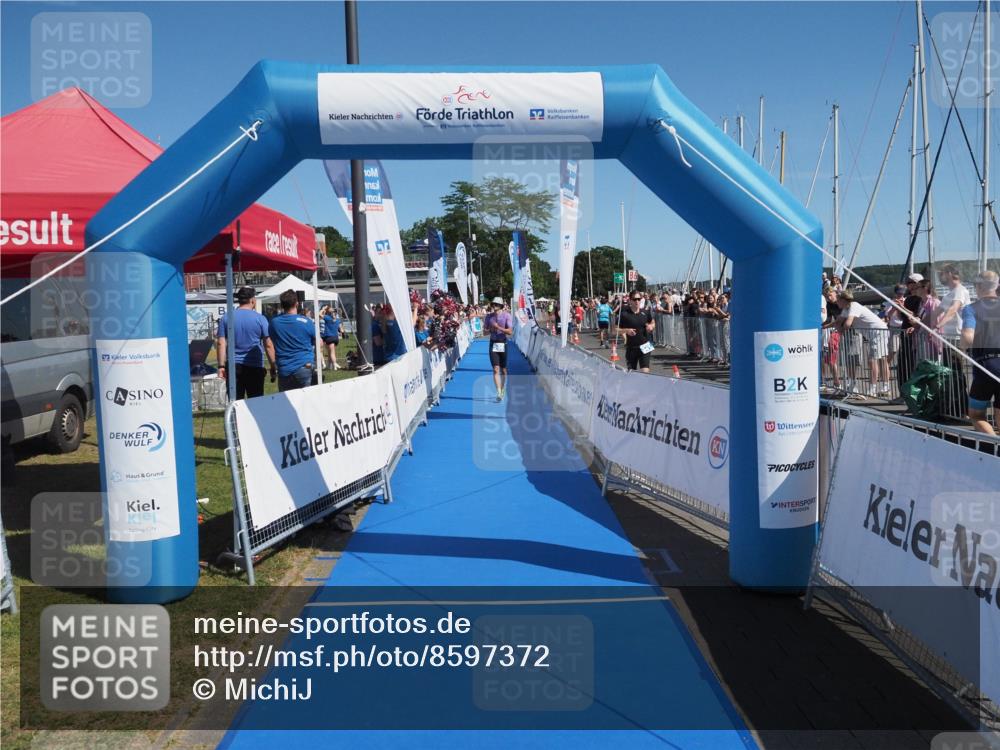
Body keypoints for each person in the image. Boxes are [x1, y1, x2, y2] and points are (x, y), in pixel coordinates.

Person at [216, 286, 276, 399]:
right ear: (252, 300)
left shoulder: (226, 317)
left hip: (234, 366)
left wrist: (221, 366)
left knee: (235, 402)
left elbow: (221, 343)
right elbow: (268, 344)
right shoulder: (260, 318)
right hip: (255, 366)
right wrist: (273, 364)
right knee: (256, 402)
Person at [960, 270, 1000, 435]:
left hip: (986, 367)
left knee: (976, 415)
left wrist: (963, 346)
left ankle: (996, 447)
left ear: (978, 286)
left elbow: (967, 336)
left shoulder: (972, 309)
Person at [835, 289, 890, 397]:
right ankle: (885, 386)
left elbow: (847, 324)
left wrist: (840, 329)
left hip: (878, 332)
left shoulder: (853, 306)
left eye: (838, 300)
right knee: (880, 359)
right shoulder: (846, 309)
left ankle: (873, 389)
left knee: (873, 360)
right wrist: (828, 326)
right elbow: (838, 321)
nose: (836, 302)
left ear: (843, 300)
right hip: (873, 333)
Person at [935, 264, 971, 416]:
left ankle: (962, 408)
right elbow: (937, 311)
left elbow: (953, 309)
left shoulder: (960, 291)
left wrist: (938, 325)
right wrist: (920, 324)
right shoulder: (949, 294)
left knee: (956, 372)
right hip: (948, 338)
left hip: (957, 337)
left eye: (942, 274)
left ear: (949, 274)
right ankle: (953, 406)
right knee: (950, 372)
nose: (940, 277)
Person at [268, 290, 317, 391]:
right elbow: (318, 342)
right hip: (304, 366)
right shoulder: (306, 322)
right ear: (297, 304)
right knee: (309, 403)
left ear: (282, 305)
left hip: (284, 369)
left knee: (286, 404)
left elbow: (272, 342)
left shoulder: (274, 322)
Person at [615, 291, 655, 372]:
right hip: (631, 347)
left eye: (639, 299)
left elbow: (653, 322)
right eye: (634, 299)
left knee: (645, 372)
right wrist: (626, 330)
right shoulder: (624, 315)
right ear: (630, 300)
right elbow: (615, 330)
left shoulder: (645, 312)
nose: (637, 301)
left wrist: (651, 326)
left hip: (645, 346)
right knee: (631, 374)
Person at [484, 297, 513, 401]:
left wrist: (498, 328)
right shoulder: (489, 317)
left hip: (503, 343)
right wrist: (491, 330)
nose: (494, 306)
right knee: (496, 369)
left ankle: (503, 387)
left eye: (496, 304)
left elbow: (510, 332)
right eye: (493, 304)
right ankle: (499, 392)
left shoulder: (507, 316)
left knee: (504, 370)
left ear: (501, 305)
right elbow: (484, 332)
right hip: (493, 344)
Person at [320, 305, 341, 371]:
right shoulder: (338, 320)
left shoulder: (328, 318)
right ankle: (330, 365)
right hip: (336, 338)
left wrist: (323, 309)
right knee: (331, 352)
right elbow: (341, 330)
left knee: (331, 352)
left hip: (329, 337)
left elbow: (319, 314)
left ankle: (334, 364)